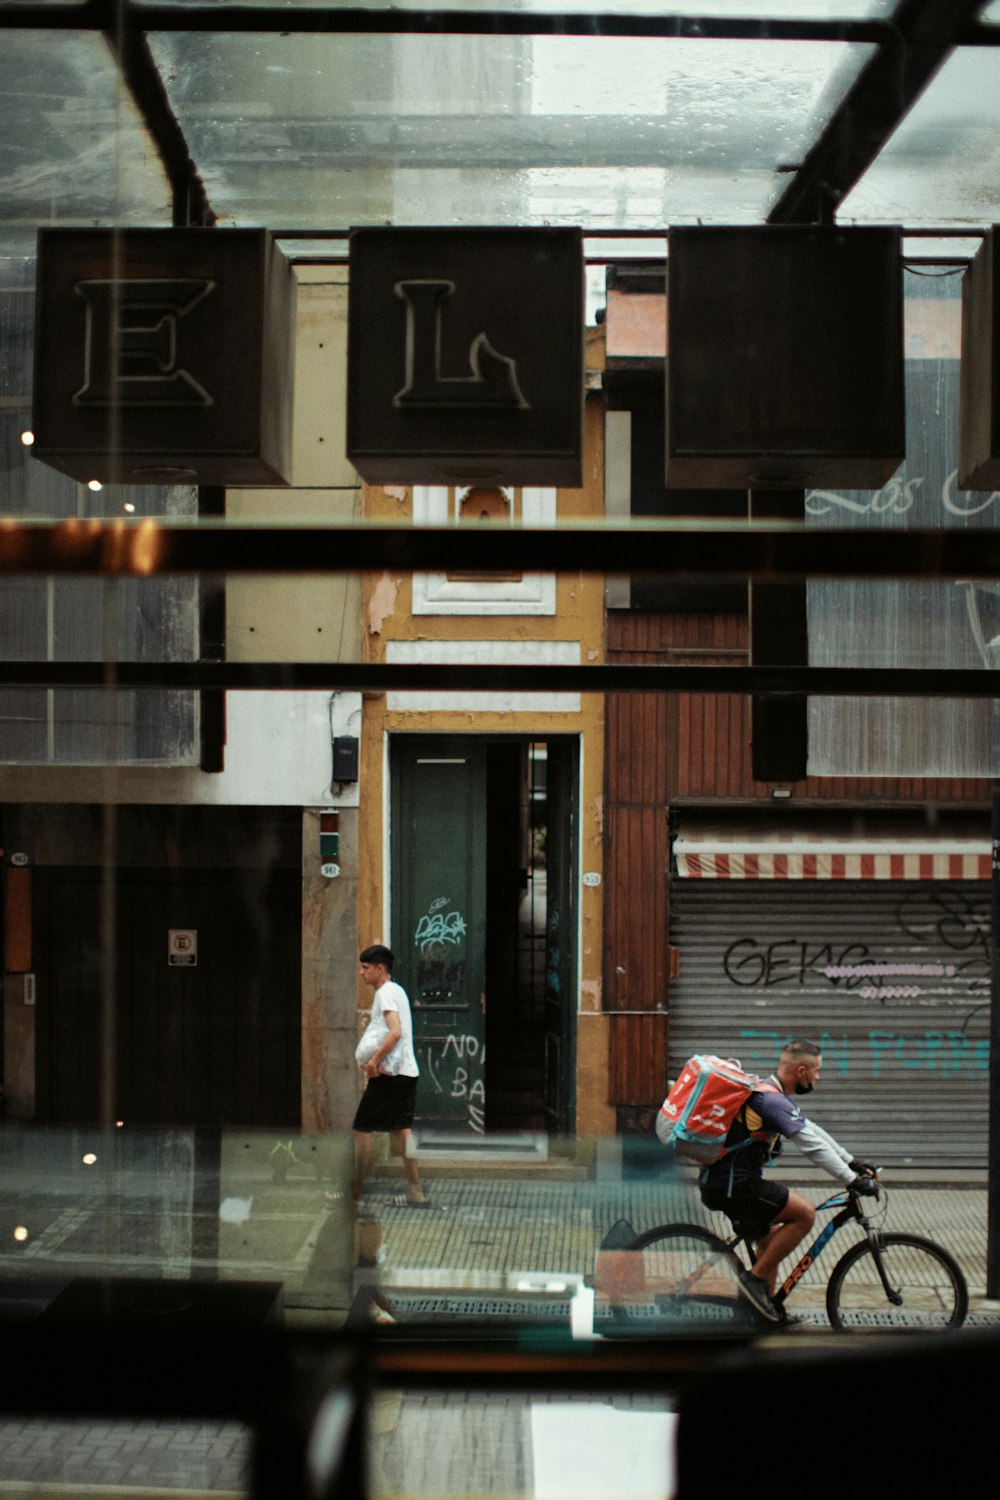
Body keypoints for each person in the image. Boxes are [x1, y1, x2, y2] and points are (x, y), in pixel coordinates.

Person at [699, 1037, 876, 1323]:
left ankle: (761, 1315)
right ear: (801, 1072)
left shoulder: (770, 1094)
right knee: (804, 1214)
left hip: (727, 1184)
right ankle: (754, 1283)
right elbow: (810, 1146)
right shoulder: (771, 1100)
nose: (818, 1078)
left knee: (770, 1241)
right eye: (817, 1071)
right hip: (735, 1186)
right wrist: (850, 1180)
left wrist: (850, 1161)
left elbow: (811, 1129)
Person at [352, 944, 426, 1206]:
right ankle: (415, 1191)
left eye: (365, 968)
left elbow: (394, 1032)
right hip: (406, 1072)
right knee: (401, 1131)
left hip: (389, 1075)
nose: (362, 973)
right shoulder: (398, 991)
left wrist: (373, 1062)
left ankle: (354, 1191)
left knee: (362, 1128)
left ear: (379, 969)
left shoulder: (384, 994)